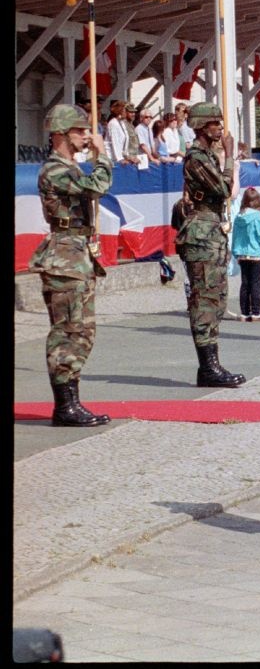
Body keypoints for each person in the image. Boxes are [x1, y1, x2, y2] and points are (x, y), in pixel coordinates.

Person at [30, 104, 114, 427]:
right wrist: (103, 154)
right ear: (61, 135)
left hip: (77, 255)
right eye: (80, 130)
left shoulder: (71, 167)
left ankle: (72, 402)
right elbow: (99, 186)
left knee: (83, 332)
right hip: (64, 257)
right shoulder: (54, 169)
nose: (87, 135)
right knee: (67, 330)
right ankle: (65, 406)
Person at [177, 101, 248, 387]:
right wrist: (230, 157)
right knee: (204, 301)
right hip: (201, 233)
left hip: (212, 231)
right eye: (216, 123)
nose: (221, 128)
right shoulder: (197, 158)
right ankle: (208, 368)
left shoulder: (206, 155)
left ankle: (212, 364)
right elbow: (223, 189)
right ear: (202, 127)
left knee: (216, 298)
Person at [231, 187, 260, 322]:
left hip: (242, 255)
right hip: (256, 254)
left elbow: (235, 236)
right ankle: (256, 312)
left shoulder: (238, 217)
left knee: (245, 283)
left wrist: (235, 252)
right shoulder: (258, 217)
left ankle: (245, 312)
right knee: (256, 284)